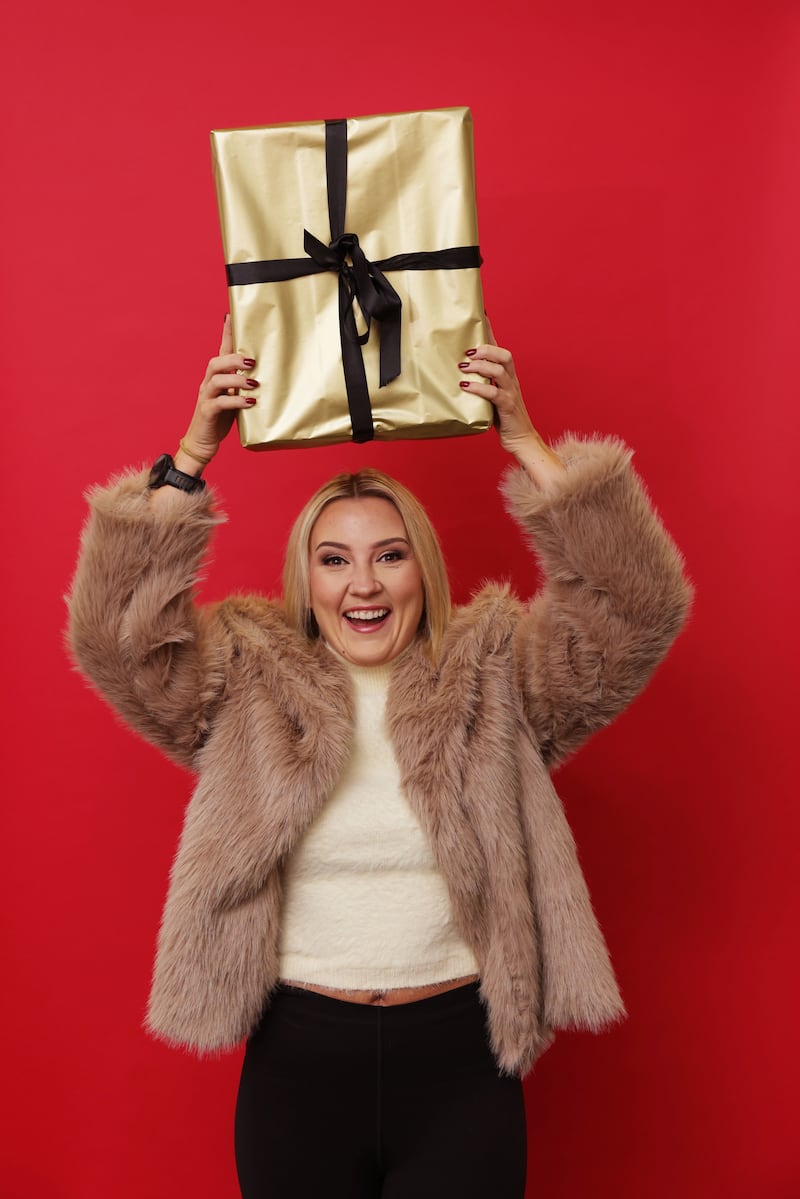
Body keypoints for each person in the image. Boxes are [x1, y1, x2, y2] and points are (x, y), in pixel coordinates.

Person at [67, 317, 691, 1199]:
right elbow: (115, 638)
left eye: (387, 557)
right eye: (336, 560)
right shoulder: (244, 680)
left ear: (419, 569)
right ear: (308, 579)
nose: (363, 584)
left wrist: (524, 440)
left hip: (464, 1063)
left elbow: (640, 605)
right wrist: (191, 455)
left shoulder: (499, 676)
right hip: (296, 1063)